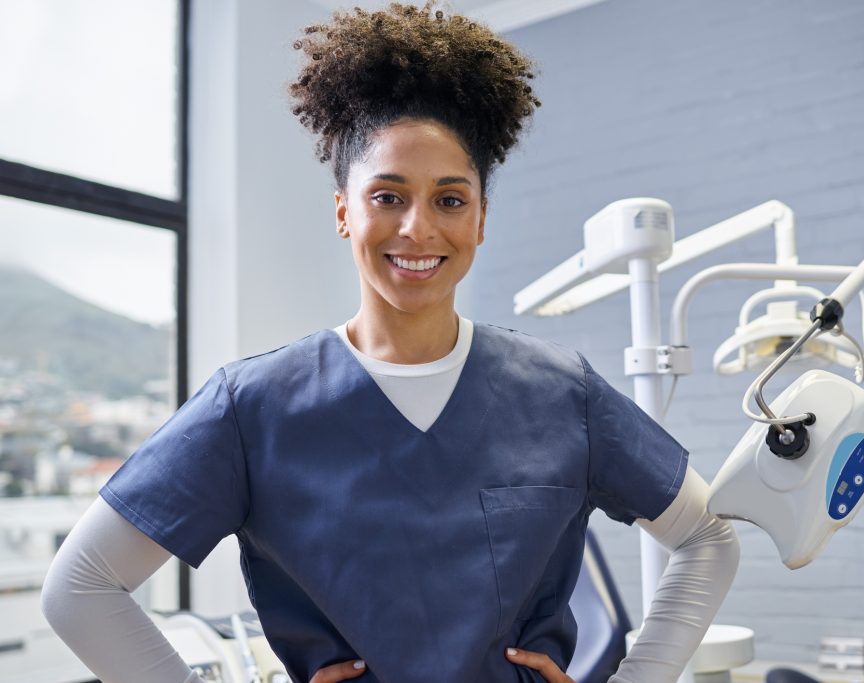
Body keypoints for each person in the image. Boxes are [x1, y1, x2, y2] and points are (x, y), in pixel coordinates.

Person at [40, 3, 740, 682]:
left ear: (482, 217)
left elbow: (709, 537)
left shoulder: (562, 394)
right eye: (388, 195)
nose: (418, 228)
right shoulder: (253, 409)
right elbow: (81, 586)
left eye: (450, 198)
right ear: (344, 210)